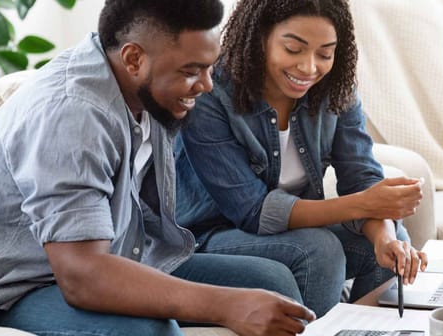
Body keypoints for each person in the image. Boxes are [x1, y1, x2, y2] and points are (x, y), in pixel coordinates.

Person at [0, 0, 315, 335]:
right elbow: (83, 275)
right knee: (149, 331)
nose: (206, 85)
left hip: (114, 254)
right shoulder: (73, 115)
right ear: (133, 59)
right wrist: (226, 306)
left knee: (274, 283)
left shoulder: (143, 85)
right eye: (192, 71)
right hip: (7, 287)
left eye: (208, 67)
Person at [175, 0, 429, 317]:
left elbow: (361, 176)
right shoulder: (212, 92)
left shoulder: (335, 88)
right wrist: (368, 203)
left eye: (324, 54)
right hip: (206, 237)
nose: (309, 68)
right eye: (293, 49)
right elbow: (252, 211)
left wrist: (385, 238)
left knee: (389, 242)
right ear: (261, 37)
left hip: (287, 235)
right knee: (319, 251)